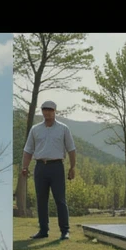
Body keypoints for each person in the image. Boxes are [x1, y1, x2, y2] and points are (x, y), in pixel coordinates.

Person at [20, 100, 77, 240]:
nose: (47, 112)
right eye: (45, 109)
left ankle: (65, 231)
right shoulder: (35, 129)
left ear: (54, 111)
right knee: (41, 200)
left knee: (60, 199)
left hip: (57, 166)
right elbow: (28, 150)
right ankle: (43, 230)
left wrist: (72, 167)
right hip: (40, 167)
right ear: (42, 111)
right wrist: (25, 167)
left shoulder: (63, 129)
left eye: (50, 110)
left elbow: (71, 149)